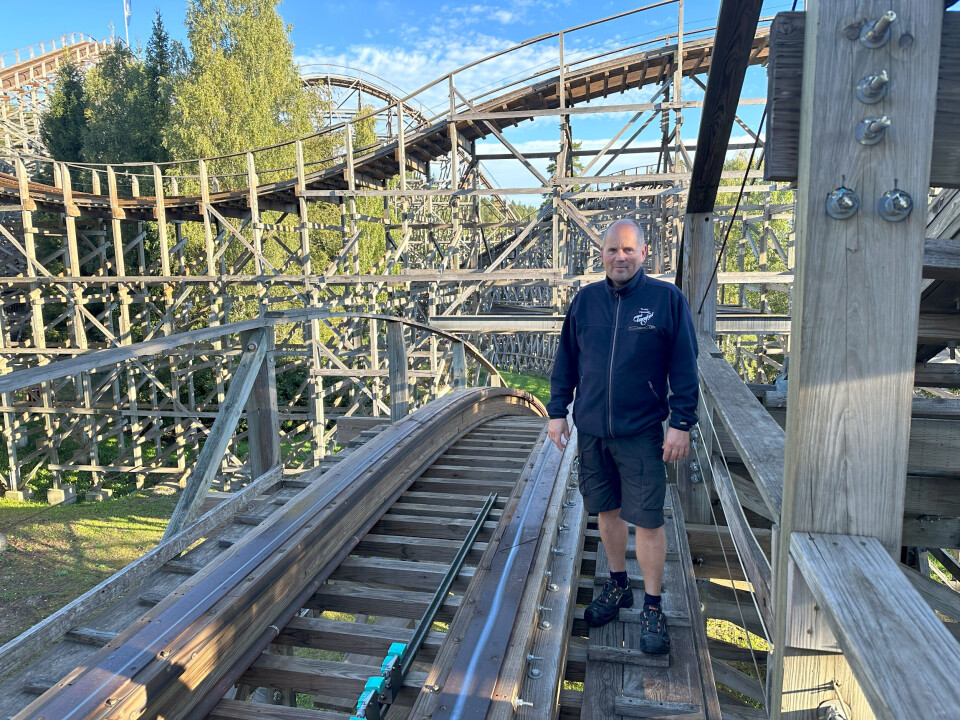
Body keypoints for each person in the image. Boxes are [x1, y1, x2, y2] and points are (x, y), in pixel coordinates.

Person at [546, 218, 698, 655]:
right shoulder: (586, 301)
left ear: (644, 253)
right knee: (606, 513)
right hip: (592, 430)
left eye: (629, 250)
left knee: (648, 520)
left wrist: (681, 422)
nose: (620, 257)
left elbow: (685, 367)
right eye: (612, 250)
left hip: (641, 431)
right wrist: (558, 412)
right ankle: (617, 586)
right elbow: (566, 362)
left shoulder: (666, 299)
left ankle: (652, 604)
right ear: (603, 254)